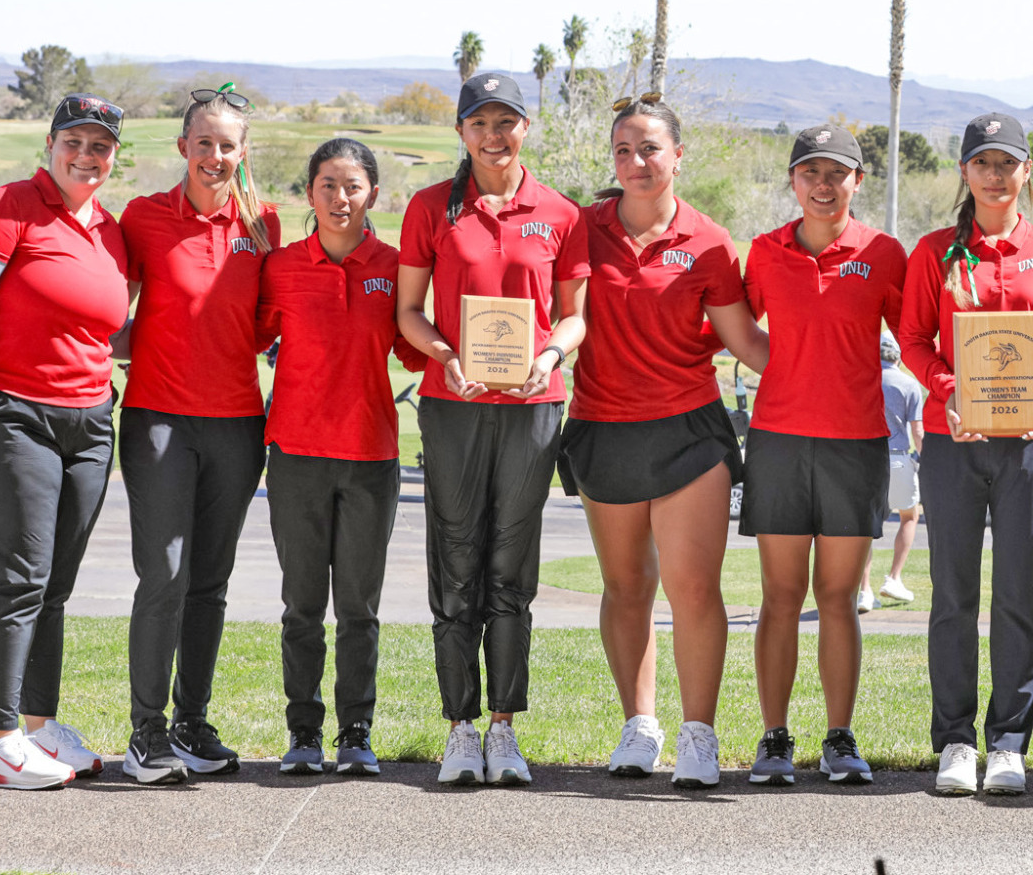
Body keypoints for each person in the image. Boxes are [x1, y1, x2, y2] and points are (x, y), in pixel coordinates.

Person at [558, 96, 769, 788]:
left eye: (649, 148)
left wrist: (835, 356)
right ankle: (639, 725)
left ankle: (698, 735)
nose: (636, 162)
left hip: (688, 432)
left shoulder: (710, 241)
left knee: (693, 588)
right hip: (601, 427)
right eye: (623, 150)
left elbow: (746, 344)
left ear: (678, 155)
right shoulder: (579, 229)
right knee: (625, 586)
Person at [398, 71, 589, 786]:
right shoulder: (430, 208)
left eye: (506, 121)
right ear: (461, 133)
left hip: (532, 407)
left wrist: (548, 353)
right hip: (453, 403)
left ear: (525, 129)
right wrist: (443, 353)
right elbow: (409, 312)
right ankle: (459, 727)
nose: (493, 134)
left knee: (511, 564)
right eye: (479, 123)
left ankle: (504, 728)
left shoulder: (560, 214)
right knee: (455, 562)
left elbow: (574, 314)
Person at [0, 94, 129, 789]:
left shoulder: (107, 228)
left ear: (114, 156)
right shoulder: (9, 204)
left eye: (100, 146)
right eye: (74, 141)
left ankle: (39, 726)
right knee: (17, 579)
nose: (86, 155)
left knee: (54, 585)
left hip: (87, 421)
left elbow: (109, 324)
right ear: (49, 144)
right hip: (10, 413)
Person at [898, 112, 1033, 798]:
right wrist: (950, 391)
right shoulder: (933, 253)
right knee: (952, 595)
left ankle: (1008, 741)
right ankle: (952, 739)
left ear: (1026, 170)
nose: (996, 174)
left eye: (1008, 162)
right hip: (954, 443)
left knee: (1017, 596)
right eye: (983, 162)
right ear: (964, 172)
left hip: (1030, 447)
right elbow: (914, 337)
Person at [116, 84, 280, 783]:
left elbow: (270, 323)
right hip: (158, 418)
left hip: (239, 422)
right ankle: (145, 731)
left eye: (228, 144)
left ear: (244, 153)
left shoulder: (264, 222)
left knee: (209, 581)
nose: (216, 155)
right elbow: (103, 305)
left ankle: (190, 722)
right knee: (166, 574)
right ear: (183, 146)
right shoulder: (143, 216)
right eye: (204, 142)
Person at [739, 124, 906, 787]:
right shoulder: (763, 251)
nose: (823, 183)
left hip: (855, 445)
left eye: (837, 172)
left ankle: (839, 739)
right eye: (811, 171)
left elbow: (914, 334)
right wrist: (772, 367)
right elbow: (730, 322)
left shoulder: (883, 252)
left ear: (857, 182)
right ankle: (774, 738)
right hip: (778, 442)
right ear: (793, 180)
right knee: (780, 595)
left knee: (836, 598)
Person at [258, 139, 427, 776]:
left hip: (370, 456)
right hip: (296, 455)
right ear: (310, 193)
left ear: (372, 195)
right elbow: (249, 335)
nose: (340, 197)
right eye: (327, 185)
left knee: (359, 607)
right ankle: (303, 733)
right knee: (302, 605)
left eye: (352, 186)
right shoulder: (281, 268)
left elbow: (415, 348)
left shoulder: (394, 266)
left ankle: (356, 732)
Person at [861, 334, 923, 609]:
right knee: (909, 516)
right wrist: (923, 458)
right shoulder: (909, 384)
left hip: (866, 458)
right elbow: (918, 431)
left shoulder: (863, 379)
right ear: (898, 357)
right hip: (898, 458)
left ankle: (864, 589)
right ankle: (894, 578)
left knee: (864, 527)